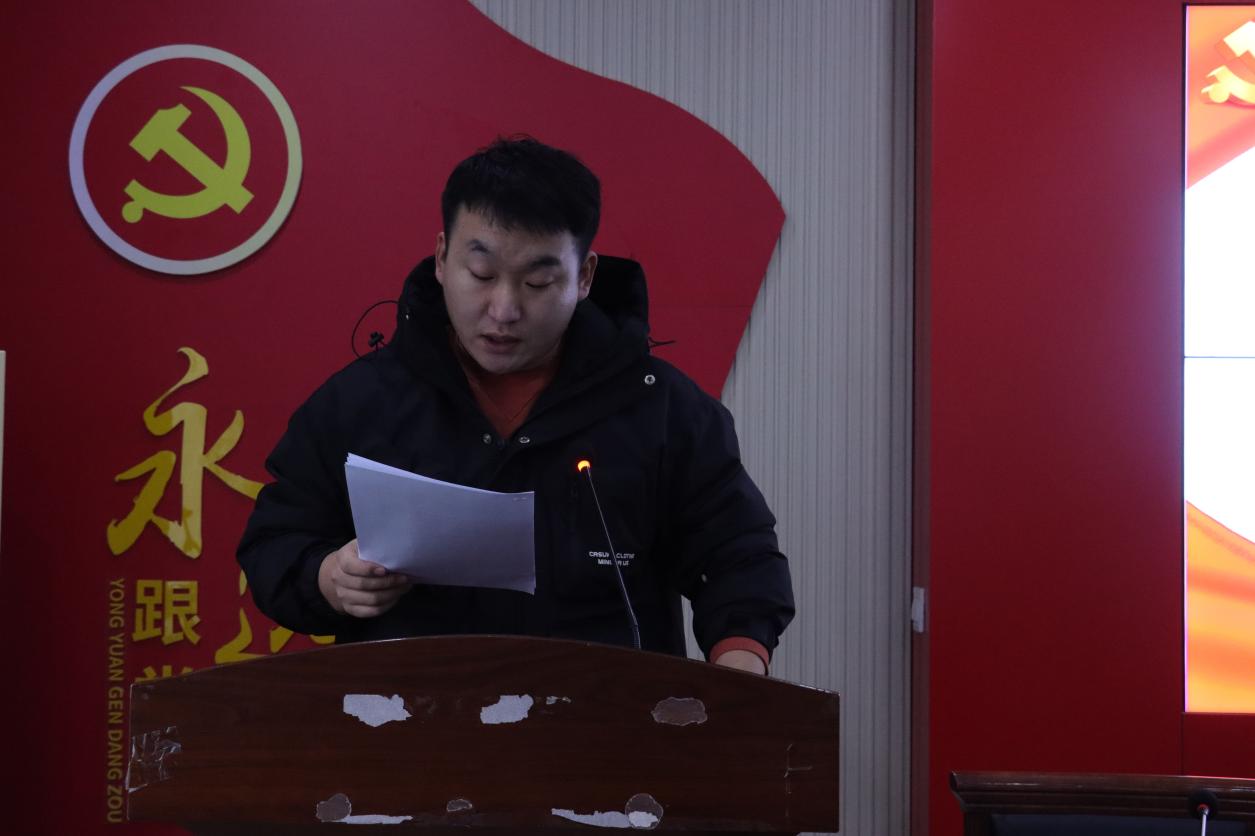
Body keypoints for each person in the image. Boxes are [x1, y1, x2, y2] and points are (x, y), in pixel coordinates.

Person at [237, 137, 794, 674]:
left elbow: (738, 554)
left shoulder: (662, 409)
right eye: (481, 275)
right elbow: (275, 542)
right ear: (441, 258)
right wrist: (328, 577)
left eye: (538, 282)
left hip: (607, 724)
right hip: (403, 720)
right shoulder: (361, 403)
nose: (503, 310)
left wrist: (740, 662)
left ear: (584, 277)